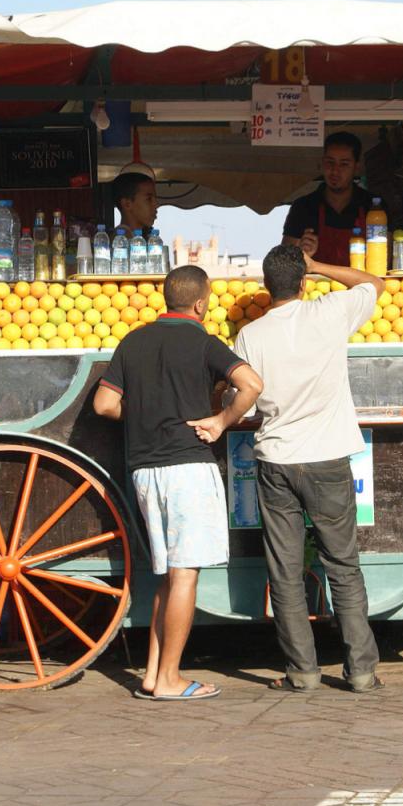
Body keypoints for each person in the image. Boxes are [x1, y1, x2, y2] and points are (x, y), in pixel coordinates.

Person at [93, 266, 262, 701]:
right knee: (186, 576)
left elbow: (105, 403)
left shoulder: (133, 341)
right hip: (187, 468)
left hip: (144, 471)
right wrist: (223, 421)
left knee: (169, 576)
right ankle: (170, 678)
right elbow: (252, 384)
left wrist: (146, 417)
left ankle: (152, 675)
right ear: (202, 303)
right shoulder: (203, 343)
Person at [230, 243, 385, 693]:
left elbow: (242, 400)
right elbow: (375, 284)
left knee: (285, 570)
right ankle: (360, 672)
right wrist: (320, 266)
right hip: (328, 457)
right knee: (344, 566)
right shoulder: (330, 311)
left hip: (277, 459)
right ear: (303, 283)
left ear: (265, 287)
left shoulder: (250, 336)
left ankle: (302, 671)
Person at [281, 132, 374, 267]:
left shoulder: (373, 206)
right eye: (330, 162)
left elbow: (385, 260)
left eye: (344, 164)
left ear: (356, 167)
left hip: (365, 287)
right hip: (316, 287)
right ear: (321, 163)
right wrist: (300, 254)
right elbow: (285, 265)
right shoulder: (303, 207)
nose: (335, 171)